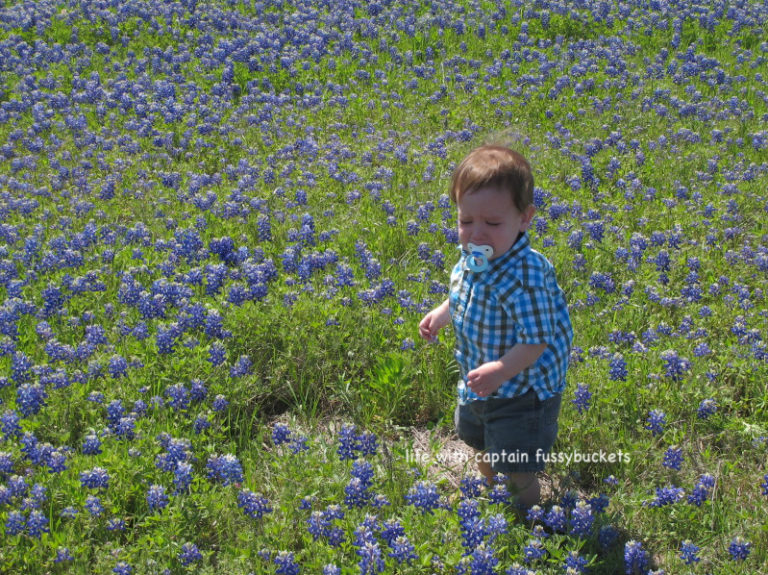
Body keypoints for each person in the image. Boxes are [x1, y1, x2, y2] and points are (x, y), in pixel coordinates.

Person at [419, 144, 573, 507]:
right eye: (465, 221)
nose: (476, 234)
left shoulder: (526, 276)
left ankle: (527, 516)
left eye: (492, 223)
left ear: (524, 218)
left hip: (522, 391)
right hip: (479, 380)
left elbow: (537, 340)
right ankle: (486, 491)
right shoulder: (478, 252)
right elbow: (465, 287)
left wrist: (501, 370)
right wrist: (444, 311)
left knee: (518, 465)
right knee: (479, 441)